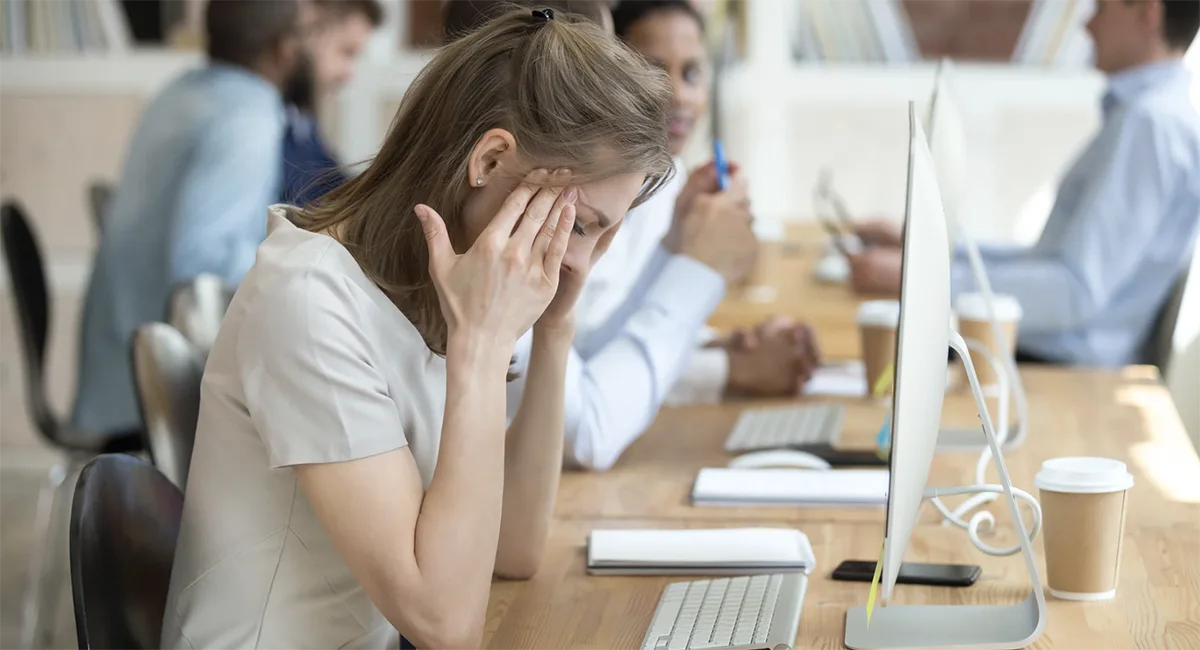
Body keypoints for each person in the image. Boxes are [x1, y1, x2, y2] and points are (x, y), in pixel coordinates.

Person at [160, 9, 674, 650]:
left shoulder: (435, 291)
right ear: (489, 160)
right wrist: (482, 353)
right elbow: (443, 623)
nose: (576, 260)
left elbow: (510, 548)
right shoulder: (310, 302)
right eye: (578, 225)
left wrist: (555, 326)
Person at [497, 0, 821, 471]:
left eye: (692, 72)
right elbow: (588, 429)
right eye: (644, 72)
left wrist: (676, 255)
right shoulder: (515, 229)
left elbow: (579, 355)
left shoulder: (660, 183)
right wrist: (695, 273)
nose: (676, 97)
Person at [850, 0, 1200, 368]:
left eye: (1101, 8)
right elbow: (1047, 263)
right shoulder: (1150, 117)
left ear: (1148, 13)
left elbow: (1073, 292)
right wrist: (930, 250)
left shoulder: (1151, 127)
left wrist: (925, 281)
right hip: (1041, 354)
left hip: (1058, 369)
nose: (1087, 25)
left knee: (867, 358)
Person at [73, 0, 317, 439]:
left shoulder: (181, 89)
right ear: (283, 49)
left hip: (117, 364)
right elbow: (201, 267)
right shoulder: (246, 117)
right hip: (156, 390)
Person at [281, 0, 383, 206]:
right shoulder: (265, 123)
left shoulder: (301, 118)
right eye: (346, 52)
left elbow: (334, 186)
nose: (348, 73)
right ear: (308, 30)